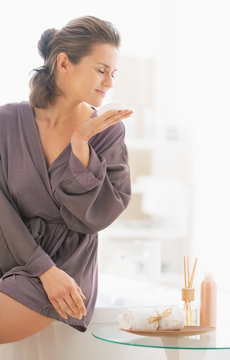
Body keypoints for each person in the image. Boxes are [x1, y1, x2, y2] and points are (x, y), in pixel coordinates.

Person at [0, 15, 132, 344]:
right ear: (64, 63)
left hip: (66, 267)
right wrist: (40, 266)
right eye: (101, 69)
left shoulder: (107, 132)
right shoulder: (6, 122)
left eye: (113, 73)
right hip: (11, 250)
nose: (109, 81)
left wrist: (80, 147)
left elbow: (97, 217)